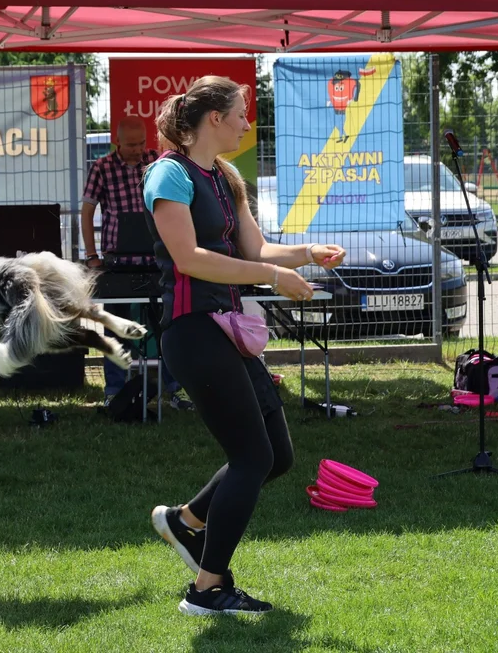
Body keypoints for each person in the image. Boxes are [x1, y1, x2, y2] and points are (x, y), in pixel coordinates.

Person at [141, 76, 346, 616]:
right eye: (239, 114)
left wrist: (304, 252)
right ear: (213, 119)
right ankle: (207, 590)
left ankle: (184, 522)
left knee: (275, 455)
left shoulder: (226, 176)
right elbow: (188, 258)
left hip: (226, 327)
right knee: (251, 456)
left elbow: (255, 246)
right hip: (192, 329)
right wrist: (271, 279)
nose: (246, 124)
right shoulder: (168, 174)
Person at [80, 116, 191, 411]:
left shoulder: (157, 162)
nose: (137, 149)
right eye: (131, 145)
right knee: (115, 326)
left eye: (142, 143)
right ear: (117, 142)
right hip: (118, 263)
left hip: (157, 260)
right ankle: (115, 390)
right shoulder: (101, 168)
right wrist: (92, 256)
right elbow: (87, 211)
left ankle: (176, 389)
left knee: (169, 325)